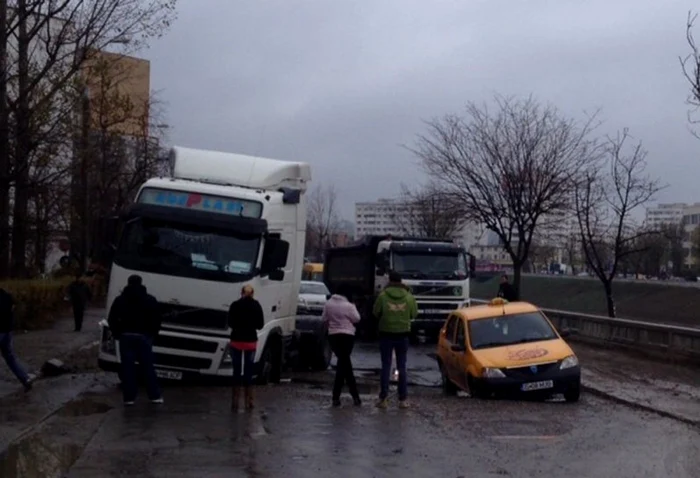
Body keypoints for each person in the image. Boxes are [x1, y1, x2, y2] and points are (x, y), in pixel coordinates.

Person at [107, 275, 163, 406]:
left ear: (128, 283)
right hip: (143, 337)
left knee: (128, 368)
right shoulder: (150, 300)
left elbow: (112, 319)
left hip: (126, 337)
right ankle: (154, 396)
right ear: (141, 283)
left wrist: (117, 333)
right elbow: (157, 319)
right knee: (147, 367)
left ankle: (129, 398)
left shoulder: (120, 300)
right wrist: (152, 334)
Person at [372, 271, 417, 409]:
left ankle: (383, 399)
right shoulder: (409, 297)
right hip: (403, 334)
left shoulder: (383, 296)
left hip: (386, 334)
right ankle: (402, 400)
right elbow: (414, 314)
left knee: (386, 366)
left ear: (389, 280)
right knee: (402, 366)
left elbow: (375, 312)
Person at [322, 284, 362, 407]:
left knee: (343, 363)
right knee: (344, 366)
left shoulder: (328, 304)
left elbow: (324, 318)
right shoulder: (349, 306)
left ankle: (338, 397)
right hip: (347, 336)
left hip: (333, 336)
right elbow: (357, 319)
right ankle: (353, 396)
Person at [227, 284, 264, 411]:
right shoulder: (256, 305)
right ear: (252, 293)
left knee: (236, 371)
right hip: (250, 342)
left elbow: (230, 323)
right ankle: (249, 402)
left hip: (236, 341)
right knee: (248, 371)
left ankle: (235, 402)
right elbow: (260, 325)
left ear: (241, 293)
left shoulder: (234, 305)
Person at [0, 288, 32, 392]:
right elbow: (13, 309)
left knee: (10, 357)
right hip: (7, 331)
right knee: (11, 358)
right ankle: (25, 378)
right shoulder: (7, 295)